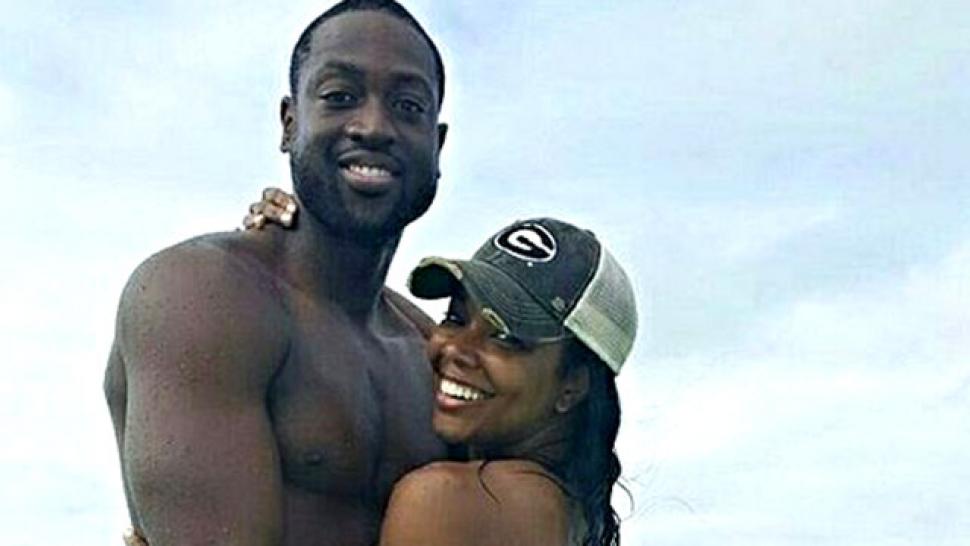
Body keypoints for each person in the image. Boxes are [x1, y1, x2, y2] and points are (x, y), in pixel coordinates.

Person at [104, 1, 451, 545]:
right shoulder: (204, 295)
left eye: (408, 106)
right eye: (340, 96)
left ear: (438, 144)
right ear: (290, 124)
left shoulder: (435, 352)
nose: (373, 126)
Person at [250, 197, 637, 546]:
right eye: (455, 318)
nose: (455, 349)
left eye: (505, 337)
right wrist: (307, 255)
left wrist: (294, 260)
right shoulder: (565, 508)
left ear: (573, 385)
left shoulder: (451, 502)